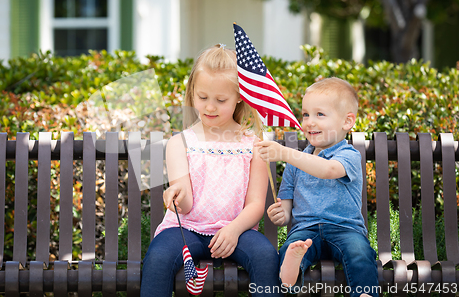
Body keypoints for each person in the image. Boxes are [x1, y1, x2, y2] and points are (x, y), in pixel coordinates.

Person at [140, 44, 281, 296]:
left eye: (220, 100)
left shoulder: (253, 145)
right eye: (202, 98)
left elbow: (255, 205)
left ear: (239, 96)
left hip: (237, 229)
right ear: (192, 92)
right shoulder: (180, 143)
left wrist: (234, 229)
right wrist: (176, 196)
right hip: (186, 229)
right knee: (159, 256)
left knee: (265, 255)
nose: (210, 107)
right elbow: (185, 203)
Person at [255, 77, 379, 297]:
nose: (309, 121)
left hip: (345, 229)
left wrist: (284, 153)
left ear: (347, 121)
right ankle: (290, 274)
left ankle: (364, 294)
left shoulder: (348, 155)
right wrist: (280, 215)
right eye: (305, 114)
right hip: (306, 229)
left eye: (319, 114)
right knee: (292, 248)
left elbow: (328, 170)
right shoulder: (296, 162)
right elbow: (286, 208)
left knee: (360, 253)